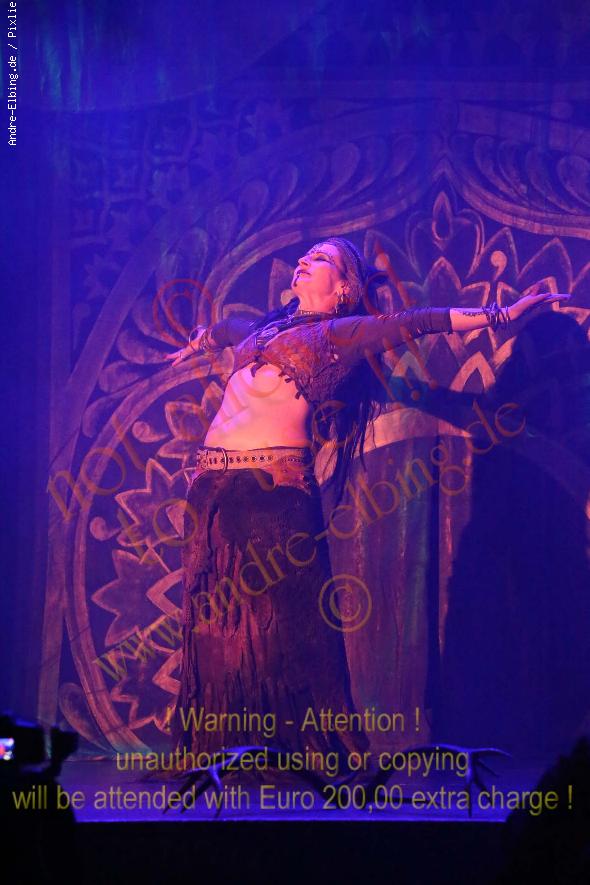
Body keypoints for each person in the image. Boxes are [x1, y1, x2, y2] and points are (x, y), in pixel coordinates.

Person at [164, 237, 567, 793]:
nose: (303, 262)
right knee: (217, 631)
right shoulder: (259, 330)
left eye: (320, 260)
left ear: (343, 288)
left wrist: (499, 314)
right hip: (212, 493)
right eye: (305, 257)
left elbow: (418, 322)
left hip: (273, 492)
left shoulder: (341, 334)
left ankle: (301, 752)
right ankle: (225, 749)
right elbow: (224, 330)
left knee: (285, 634)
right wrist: (199, 340)